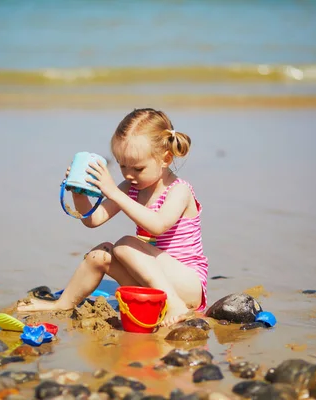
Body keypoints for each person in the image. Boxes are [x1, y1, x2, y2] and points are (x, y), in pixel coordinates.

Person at [17, 108, 209, 327]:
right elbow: (93, 219)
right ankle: (63, 303)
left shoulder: (179, 190)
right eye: (122, 165)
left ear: (165, 158)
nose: (128, 174)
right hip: (150, 281)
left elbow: (157, 226)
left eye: (138, 168)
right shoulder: (130, 187)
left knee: (126, 244)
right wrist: (78, 192)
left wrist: (114, 192)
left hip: (187, 285)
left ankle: (175, 305)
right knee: (100, 254)